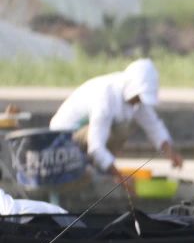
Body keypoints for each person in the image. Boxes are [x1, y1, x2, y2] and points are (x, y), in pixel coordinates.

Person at [48, 58, 183, 184]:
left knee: (124, 127)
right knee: (119, 130)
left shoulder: (135, 100)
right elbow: (96, 146)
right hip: (63, 140)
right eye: (138, 97)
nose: (139, 101)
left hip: (86, 137)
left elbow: (153, 126)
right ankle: (95, 168)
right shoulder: (106, 96)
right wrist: (120, 177)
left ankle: (100, 167)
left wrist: (170, 153)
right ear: (132, 89)